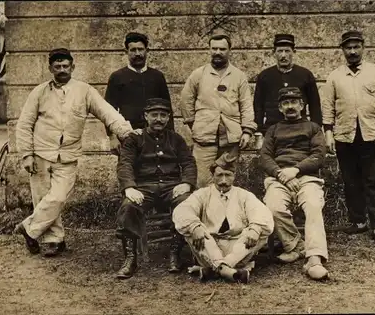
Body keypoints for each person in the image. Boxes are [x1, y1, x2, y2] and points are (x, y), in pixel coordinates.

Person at [14, 48, 133, 257]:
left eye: (65, 66)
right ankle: (54, 240)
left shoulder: (84, 91)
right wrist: (27, 154)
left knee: (58, 198)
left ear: (73, 67)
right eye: (57, 66)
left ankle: (29, 229)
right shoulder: (39, 92)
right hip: (40, 153)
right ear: (50, 68)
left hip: (68, 155)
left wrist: (126, 133)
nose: (61, 70)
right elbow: (24, 124)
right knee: (42, 199)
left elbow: (107, 112)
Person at [321, 30, 375, 245]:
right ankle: (358, 222)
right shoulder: (335, 76)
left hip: (371, 134)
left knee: (374, 181)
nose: (353, 51)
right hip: (345, 136)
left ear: (363, 47)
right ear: (343, 50)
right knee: (351, 182)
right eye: (348, 47)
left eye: (356, 47)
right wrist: (328, 133)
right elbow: (328, 107)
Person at [115, 98, 197, 279]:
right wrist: (129, 187)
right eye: (154, 115)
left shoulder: (176, 139)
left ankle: (175, 253)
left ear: (168, 118)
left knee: (186, 203)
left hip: (171, 186)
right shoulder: (134, 139)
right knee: (129, 206)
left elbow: (188, 163)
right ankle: (130, 258)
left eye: (163, 115)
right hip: (144, 187)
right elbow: (125, 164)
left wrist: (186, 183)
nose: (158, 119)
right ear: (146, 116)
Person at [172, 148, 274, 284]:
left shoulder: (243, 195)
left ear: (234, 176)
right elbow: (182, 211)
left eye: (228, 175)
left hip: (238, 249)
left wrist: (255, 229)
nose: (223, 181)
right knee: (193, 229)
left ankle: (217, 269)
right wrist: (195, 227)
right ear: (213, 176)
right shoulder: (202, 194)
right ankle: (229, 271)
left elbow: (261, 212)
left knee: (260, 229)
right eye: (219, 175)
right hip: (209, 247)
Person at [260, 87, 329, 280]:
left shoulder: (313, 128)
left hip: (306, 177)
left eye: (294, 102)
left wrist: (296, 170)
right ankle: (296, 245)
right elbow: (265, 157)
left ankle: (314, 257)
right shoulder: (273, 130)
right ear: (280, 108)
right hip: (279, 178)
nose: (290, 107)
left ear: (302, 105)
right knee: (273, 208)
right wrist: (281, 175)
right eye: (285, 103)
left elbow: (319, 155)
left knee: (313, 205)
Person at [180, 33, 257, 188]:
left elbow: (246, 104)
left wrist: (247, 131)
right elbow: (185, 99)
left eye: (222, 49)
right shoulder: (198, 74)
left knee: (226, 179)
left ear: (229, 50)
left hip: (230, 137)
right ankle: (205, 211)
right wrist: (193, 123)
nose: (217, 52)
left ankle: (227, 211)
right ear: (209, 50)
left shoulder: (238, 76)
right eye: (214, 48)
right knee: (202, 181)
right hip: (204, 136)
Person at [105, 32, 173, 154]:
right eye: (133, 50)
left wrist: (170, 137)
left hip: (155, 135)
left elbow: (167, 108)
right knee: (128, 170)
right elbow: (109, 110)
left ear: (147, 51)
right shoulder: (117, 77)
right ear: (126, 51)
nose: (137, 54)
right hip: (127, 136)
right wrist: (112, 137)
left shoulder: (157, 76)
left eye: (141, 49)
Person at [253, 34, 322, 136]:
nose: (283, 55)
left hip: (300, 131)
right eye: (280, 51)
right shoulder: (265, 76)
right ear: (274, 53)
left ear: (293, 52)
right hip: (272, 131)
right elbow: (258, 106)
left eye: (287, 51)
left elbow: (315, 106)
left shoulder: (305, 75)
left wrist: (316, 131)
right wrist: (259, 130)